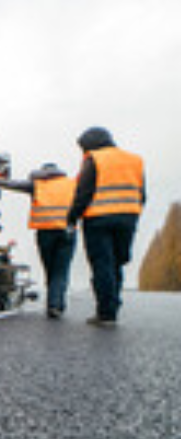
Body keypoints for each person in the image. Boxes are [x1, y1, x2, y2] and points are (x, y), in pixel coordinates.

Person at [67, 127, 146, 327]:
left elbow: (83, 193)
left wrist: (72, 218)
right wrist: (133, 213)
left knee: (102, 264)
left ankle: (106, 312)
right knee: (117, 262)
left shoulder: (93, 159)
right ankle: (113, 305)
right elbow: (141, 193)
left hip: (98, 219)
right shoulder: (135, 160)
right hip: (128, 217)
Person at [0, 163, 77, 318]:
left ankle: (54, 303)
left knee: (50, 269)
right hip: (67, 231)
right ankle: (56, 304)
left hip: (45, 232)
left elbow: (10, 184)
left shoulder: (36, 184)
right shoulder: (71, 184)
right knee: (61, 270)